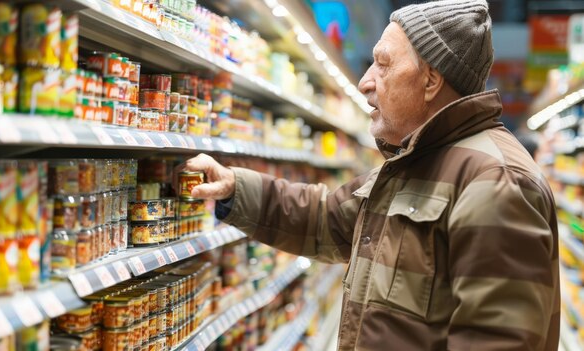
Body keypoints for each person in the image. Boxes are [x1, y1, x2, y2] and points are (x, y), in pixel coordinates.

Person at [178, 0, 560, 349]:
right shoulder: (415, 163)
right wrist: (234, 188)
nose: (365, 82)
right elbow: (326, 217)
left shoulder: (497, 181)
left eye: (383, 63)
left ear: (430, 79)